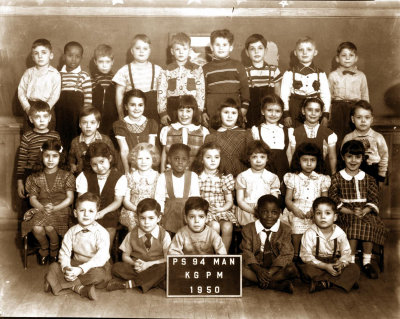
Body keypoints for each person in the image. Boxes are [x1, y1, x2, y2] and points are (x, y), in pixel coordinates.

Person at [329, 140, 387, 279]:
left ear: (362, 158)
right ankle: (351, 261)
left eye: (357, 157)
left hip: (365, 211)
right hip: (345, 212)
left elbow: (374, 198)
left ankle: (367, 262)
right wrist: (349, 211)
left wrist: (366, 209)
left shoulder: (369, 179)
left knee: (370, 224)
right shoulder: (337, 178)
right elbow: (333, 199)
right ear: (343, 157)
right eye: (349, 156)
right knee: (354, 225)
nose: (353, 160)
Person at [44, 192, 110, 300]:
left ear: (97, 214)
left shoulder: (102, 233)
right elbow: (64, 253)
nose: (86, 214)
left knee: (101, 275)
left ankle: (55, 282)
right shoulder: (71, 232)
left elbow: (101, 257)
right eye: (82, 210)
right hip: (76, 263)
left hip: (95, 265)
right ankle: (80, 288)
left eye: (91, 211)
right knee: (54, 266)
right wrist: (66, 268)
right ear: (75, 213)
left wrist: (80, 269)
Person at [21, 139, 75, 265]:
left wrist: (55, 208)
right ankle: (44, 248)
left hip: (61, 208)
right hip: (40, 208)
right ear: (42, 156)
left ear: (60, 157)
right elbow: (32, 198)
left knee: (50, 227)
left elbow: (70, 198)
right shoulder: (35, 177)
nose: (50, 160)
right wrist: (42, 207)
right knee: (37, 227)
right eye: (47, 156)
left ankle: (54, 250)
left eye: (54, 156)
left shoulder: (67, 176)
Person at [106, 198, 171, 293]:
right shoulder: (132, 234)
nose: (146, 222)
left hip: (155, 266)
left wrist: (147, 265)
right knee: (116, 267)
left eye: (151, 218)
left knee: (166, 267)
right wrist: (134, 264)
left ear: (159, 218)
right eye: (142, 218)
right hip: (137, 268)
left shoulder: (164, 235)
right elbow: (125, 256)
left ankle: (131, 284)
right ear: (137, 218)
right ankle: (155, 282)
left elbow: (167, 259)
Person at [299, 197, 360, 293]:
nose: (323, 217)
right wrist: (325, 266)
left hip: (334, 262)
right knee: (306, 269)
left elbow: (346, 252)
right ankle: (341, 282)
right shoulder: (309, 233)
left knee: (354, 268)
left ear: (335, 217)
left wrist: (341, 264)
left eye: (327, 213)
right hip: (318, 264)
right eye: (318, 213)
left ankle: (325, 283)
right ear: (314, 217)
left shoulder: (340, 233)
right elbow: (305, 255)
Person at [282, 142, 331, 260]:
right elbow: (288, 199)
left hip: (316, 209)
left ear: (317, 161)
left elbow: (324, 200)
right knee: (296, 223)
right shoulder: (292, 177)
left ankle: (312, 253)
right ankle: (296, 254)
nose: (309, 164)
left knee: (319, 224)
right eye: (305, 160)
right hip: (297, 208)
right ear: (299, 161)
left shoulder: (322, 179)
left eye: (312, 160)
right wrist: (294, 209)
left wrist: (315, 211)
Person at [241, 195, 298, 293]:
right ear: (257, 212)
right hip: (256, 266)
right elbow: (247, 252)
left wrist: (270, 272)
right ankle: (274, 285)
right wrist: (258, 270)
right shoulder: (247, 229)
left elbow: (286, 254)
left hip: (275, 267)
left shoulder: (286, 229)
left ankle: (256, 281)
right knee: (237, 266)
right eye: (264, 212)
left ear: (280, 212)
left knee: (291, 270)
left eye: (274, 212)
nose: (269, 216)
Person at [76, 142, 127, 245]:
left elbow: (117, 201)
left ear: (110, 158)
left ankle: (105, 255)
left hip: (109, 212)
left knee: (109, 228)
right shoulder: (84, 176)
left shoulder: (119, 177)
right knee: (86, 235)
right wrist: (91, 213)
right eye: (94, 164)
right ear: (90, 164)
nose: (99, 167)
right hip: (88, 212)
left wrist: (102, 212)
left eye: (102, 162)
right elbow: (81, 199)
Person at [191, 141, 236, 251]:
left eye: (216, 157)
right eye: (208, 157)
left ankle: (222, 254)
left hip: (221, 210)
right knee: (214, 226)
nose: (213, 160)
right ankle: (211, 254)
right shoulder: (197, 178)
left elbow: (229, 201)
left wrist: (222, 208)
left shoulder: (224, 178)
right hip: (205, 212)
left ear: (220, 159)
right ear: (202, 159)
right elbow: (195, 199)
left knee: (227, 226)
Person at [280, 36, 330, 128]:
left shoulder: (321, 73)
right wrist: (286, 113)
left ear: (315, 52)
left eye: (309, 49)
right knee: (295, 133)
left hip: (314, 108)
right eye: (301, 50)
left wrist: (326, 115)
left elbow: (325, 95)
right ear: (295, 53)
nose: (304, 53)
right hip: (295, 108)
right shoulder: (289, 73)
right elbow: (284, 95)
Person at [202, 29, 250, 126]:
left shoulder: (238, 66)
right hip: (213, 109)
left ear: (231, 47)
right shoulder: (205, 69)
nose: (221, 48)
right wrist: (203, 111)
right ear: (211, 47)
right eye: (217, 45)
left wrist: (244, 108)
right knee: (214, 136)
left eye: (224, 45)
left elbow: (245, 88)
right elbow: (202, 92)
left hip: (233, 109)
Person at [16, 101, 61, 203]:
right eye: (37, 117)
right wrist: (19, 182)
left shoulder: (55, 136)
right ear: (31, 119)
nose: (41, 120)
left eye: (45, 116)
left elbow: (59, 157)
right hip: (31, 174)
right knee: (30, 204)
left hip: (50, 174)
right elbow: (22, 161)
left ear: (49, 118)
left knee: (47, 202)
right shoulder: (27, 137)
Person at [157, 32, 205, 126]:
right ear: (172, 51)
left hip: (190, 107)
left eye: (184, 49)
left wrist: (199, 111)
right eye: (177, 49)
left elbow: (201, 91)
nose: (181, 52)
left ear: (189, 50)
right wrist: (162, 113)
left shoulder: (197, 69)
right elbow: (161, 92)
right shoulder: (165, 70)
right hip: (172, 107)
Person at [113, 34, 162, 122]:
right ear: (132, 51)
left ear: (149, 51)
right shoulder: (124, 70)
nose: (141, 51)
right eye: (138, 48)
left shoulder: (158, 70)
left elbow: (163, 95)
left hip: (153, 115)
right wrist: (121, 115)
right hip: (132, 115)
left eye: (145, 49)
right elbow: (119, 94)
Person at [328, 42, 369, 147]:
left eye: (351, 55)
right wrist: (327, 115)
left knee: (354, 137)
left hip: (354, 109)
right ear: (337, 58)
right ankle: (338, 161)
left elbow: (365, 96)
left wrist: (365, 113)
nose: (347, 58)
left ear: (356, 58)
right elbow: (328, 97)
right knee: (337, 137)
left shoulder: (361, 76)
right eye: (343, 55)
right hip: (337, 109)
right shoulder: (333, 76)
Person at [55, 41, 92, 154]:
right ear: (64, 56)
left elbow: (88, 100)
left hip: (76, 116)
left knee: (75, 139)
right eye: (70, 56)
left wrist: (85, 116)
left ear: (81, 58)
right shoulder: (57, 75)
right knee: (60, 138)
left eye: (77, 56)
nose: (73, 59)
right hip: (60, 115)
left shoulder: (84, 76)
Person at [155, 143, 200, 235]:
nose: (180, 162)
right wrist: (160, 213)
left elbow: (195, 198)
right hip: (169, 213)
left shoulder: (193, 176)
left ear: (188, 162)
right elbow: (159, 198)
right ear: (169, 160)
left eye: (184, 159)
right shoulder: (163, 177)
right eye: (176, 158)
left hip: (187, 212)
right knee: (167, 235)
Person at [18, 38, 60, 131]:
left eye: (44, 52)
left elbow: (55, 95)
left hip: (47, 108)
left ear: (51, 55)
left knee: (47, 139)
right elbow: (21, 91)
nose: (40, 56)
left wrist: (46, 109)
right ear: (33, 57)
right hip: (31, 108)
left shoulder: (55, 74)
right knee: (29, 137)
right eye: (36, 53)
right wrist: (27, 108)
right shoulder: (28, 72)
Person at [342, 100, 389, 184]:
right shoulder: (348, 138)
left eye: (367, 117)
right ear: (353, 119)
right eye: (359, 117)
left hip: (373, 173)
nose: (363, 121)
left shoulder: (378, 137)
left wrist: (381, 176)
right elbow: (343, 157)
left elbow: (384, 157)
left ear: (371, 119)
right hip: (353, 172)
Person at [113, 89, 159, 174]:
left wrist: (149, 169)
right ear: (126, 106)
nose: (137, 108)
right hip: (126, 164)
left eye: (140, 105)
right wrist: (127, 171)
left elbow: (151, 148)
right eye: (132, 105)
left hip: (146, 164)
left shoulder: (151, 123)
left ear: (144, 106)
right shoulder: (120, 125)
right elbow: (124, 150)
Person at [204, 98, 253, 178]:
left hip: (243, 181)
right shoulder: (211, 137)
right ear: (220, 114)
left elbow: (252, 160)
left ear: (238, 115)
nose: (230, 116)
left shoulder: (246, 134)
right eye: (226, 112)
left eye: (234, 113)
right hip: (219, 181)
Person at [236, 140, 280, 226]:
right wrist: (254, 211)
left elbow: (274, 199)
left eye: (262, 157)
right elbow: (240, 200)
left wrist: (266, 211)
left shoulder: (272, 177)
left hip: (268, 212)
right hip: (248, 211)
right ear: (248, 158)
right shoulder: (243, 176)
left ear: (267, 159)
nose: (258, 160)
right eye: (254, 157)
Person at [159, 94, 209, 171]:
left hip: (194, 174)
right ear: (176, 111)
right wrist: (162, 173)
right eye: (181, 110)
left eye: (188, 111)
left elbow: (205, 156)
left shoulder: (203, 132)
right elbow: (164, 154)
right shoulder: (167, 130)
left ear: (194, 112)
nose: (184, 114)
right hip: (171, 174)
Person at [289, 97, 337, 175]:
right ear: (303, 111)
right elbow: (292, 158)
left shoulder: (329, 134)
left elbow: (332, 158)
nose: (313, 113)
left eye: (317, 110)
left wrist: (333, 174)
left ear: (321, 113)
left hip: (321, 175)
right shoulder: (294, 133)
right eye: (310, 110)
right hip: (300, 176)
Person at [244, 34, 282, 128]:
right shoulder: (245, 71)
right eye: (252, 49)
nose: (256, 51)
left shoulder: (273, 70)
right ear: (247, 52)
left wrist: (275, 110)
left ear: (265, 51)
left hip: (269, 111)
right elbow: (244, 95)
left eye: (260, 48)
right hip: (251, 111)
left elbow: (277, 93)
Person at [251, 94, 290, 182]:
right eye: (269, 110)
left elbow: (289, 154)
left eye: (277, 111)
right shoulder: (256, 130)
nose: (273, 114)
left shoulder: (287, 131)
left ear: (282, 112)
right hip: (264, 170)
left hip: (282, 169)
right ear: (262, 111)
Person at [121, 143, 160, 231]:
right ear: (134, 160)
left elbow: (159, 198)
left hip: (151, 211)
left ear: (153, 159)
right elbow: (126, 201)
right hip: (133, 209)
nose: (143, 162)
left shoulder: (158, 177)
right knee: (132, 218)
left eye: (147, 158)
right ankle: (135, 242)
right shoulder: (129, 177)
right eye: (140, 158)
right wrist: (137, 210)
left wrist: (149, 212)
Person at [68, 107, 116, 176]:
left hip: (101, 175)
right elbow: (71, 157)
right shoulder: (75, 142)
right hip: (82, 176)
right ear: (79, 124)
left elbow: (113, 157)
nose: (88, 126)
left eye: (92, 122)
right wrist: (72, 165)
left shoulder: (105, 140)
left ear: (98, 124)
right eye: (84, 122)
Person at [92, 44, 119, 140]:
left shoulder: (117, 81)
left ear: (112, 62)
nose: (104, 65)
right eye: (101, 62)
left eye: (107, 61)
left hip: (112, 120)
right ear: (95, 62)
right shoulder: (92, 81)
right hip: (95, 120)